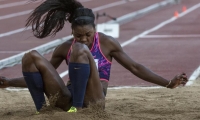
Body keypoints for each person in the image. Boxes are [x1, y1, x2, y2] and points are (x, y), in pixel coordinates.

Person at [0, 0, 188, 113]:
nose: (83, 38)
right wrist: (8, 82)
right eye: (78, 35)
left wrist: (167, 83)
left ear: (95, 29)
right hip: (67, 97)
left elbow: (135, 67)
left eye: (88, 34)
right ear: (72, 31)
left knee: (80, 51)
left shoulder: (107, 43)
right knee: (30, 56)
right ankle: (42, 110)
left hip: (93, 101)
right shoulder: (64, 47)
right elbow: (42, 78)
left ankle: (79, 110)